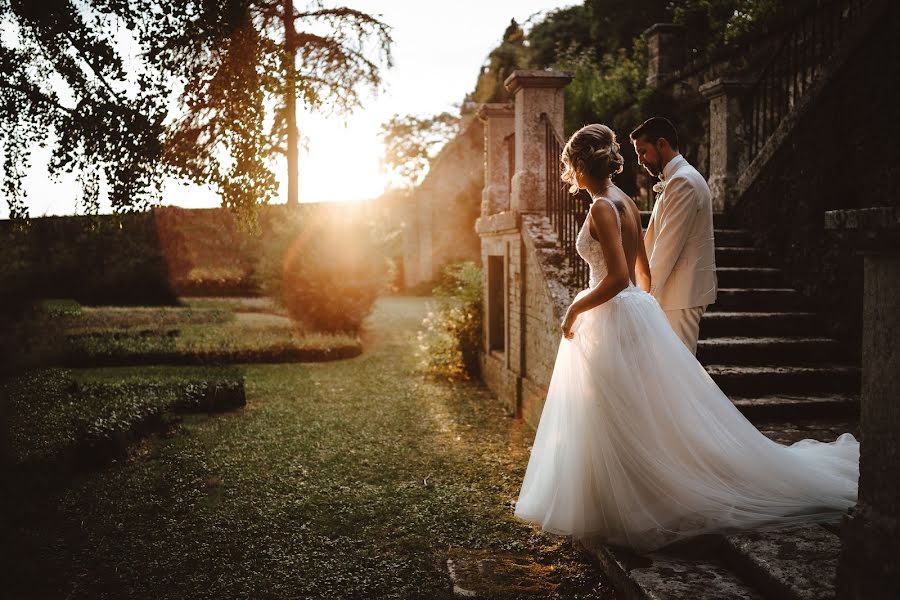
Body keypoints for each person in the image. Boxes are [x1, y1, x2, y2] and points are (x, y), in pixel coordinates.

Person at [513, 123, 858, 552]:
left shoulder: (602, 206)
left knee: (613, 408)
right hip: (632, 310)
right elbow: (643, 273)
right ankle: (624, 494)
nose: (569, 173)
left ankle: (633, 500)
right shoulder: (626, 200)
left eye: (569, 165)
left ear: (580, 165)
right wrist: (641, 312)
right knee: (627, 409)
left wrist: (575, 307)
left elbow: (619, 277)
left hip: (610, 311)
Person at [630, 117, 717, 354]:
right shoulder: (678, 179)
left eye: (642, 152)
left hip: (679, 295)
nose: (640, 161)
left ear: (661, 144)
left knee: (681, 375)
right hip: (674, 294)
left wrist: (643, 299)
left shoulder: (683, 182)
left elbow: (667, 248)